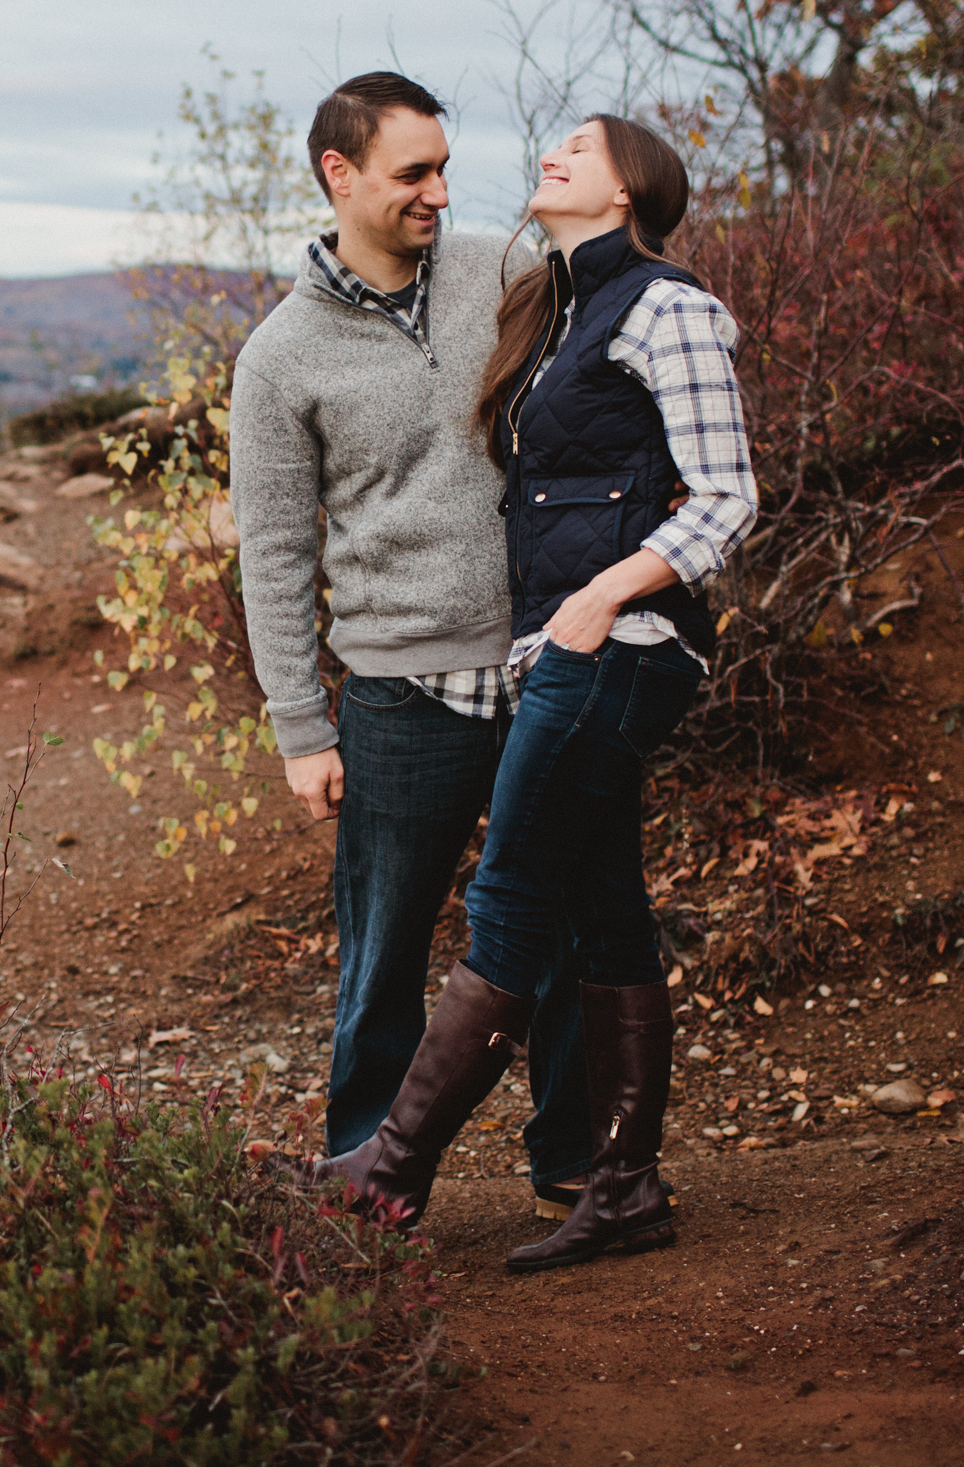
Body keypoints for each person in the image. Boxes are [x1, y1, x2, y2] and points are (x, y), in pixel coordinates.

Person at [312, 113, 758, 1274]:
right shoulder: (553, 308)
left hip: (626, 642)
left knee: (510, 885)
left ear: (627, 191)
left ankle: (388, 1167)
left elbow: (724, 497)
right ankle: (623, 1186)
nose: (549, 155)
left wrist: (603, 594)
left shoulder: (668, 307)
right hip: (563, 650)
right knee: (604, 905)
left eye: (579, 146)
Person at [230, 71, 597, 1228]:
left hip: (545, 667)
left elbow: (615, 357)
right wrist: (300, 724)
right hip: (399, 693)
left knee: (572, 926)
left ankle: (577, 1165)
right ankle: (367, 1180)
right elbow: (276, 553)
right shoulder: (279, 358)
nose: (440, 190)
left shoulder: (503, 273)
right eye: (413, 173)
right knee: (384, 949)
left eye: (445, 166)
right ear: (339, 175)